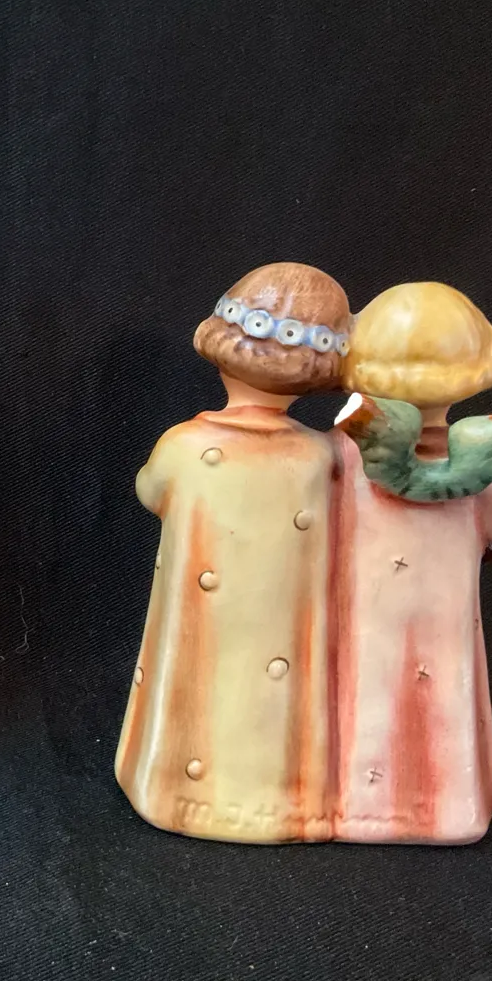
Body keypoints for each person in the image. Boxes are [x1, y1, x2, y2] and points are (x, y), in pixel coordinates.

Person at [115, 263, 352, 842]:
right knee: (273, 695)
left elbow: (149, 491)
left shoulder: (184, 444)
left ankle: (178, 789)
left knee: (200, 685)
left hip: (209, 619)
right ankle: (278, 800)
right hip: (281, 623)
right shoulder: (321, 456)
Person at [331, 282, 492, 843]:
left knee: (367, 692)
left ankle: (361, 807)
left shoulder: (336, 459)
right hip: (439, 615)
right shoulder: (491, 474)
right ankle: (443, 808)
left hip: (364, 614)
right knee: (439, 696)